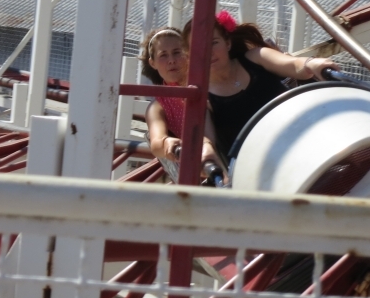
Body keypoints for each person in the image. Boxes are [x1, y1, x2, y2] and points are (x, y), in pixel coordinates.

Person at [183, 11, 336, 159]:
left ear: (227, 43)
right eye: (199, 47)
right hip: (258, 169)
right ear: (190, 55)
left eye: (214, 43)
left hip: (301, 141)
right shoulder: (202, 97)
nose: (208, 52)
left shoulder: (256, 58)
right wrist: (206, 149)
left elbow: (294, 64)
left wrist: (312, 63)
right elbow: (206, 140)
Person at [138, 27, 225, 178]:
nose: (171, 60)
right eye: (163, 55)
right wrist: (167, 143)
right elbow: (157, 142)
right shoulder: (158, 106)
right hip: (206, 165)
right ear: (152, 63)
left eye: (177, 52)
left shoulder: (208, 80)